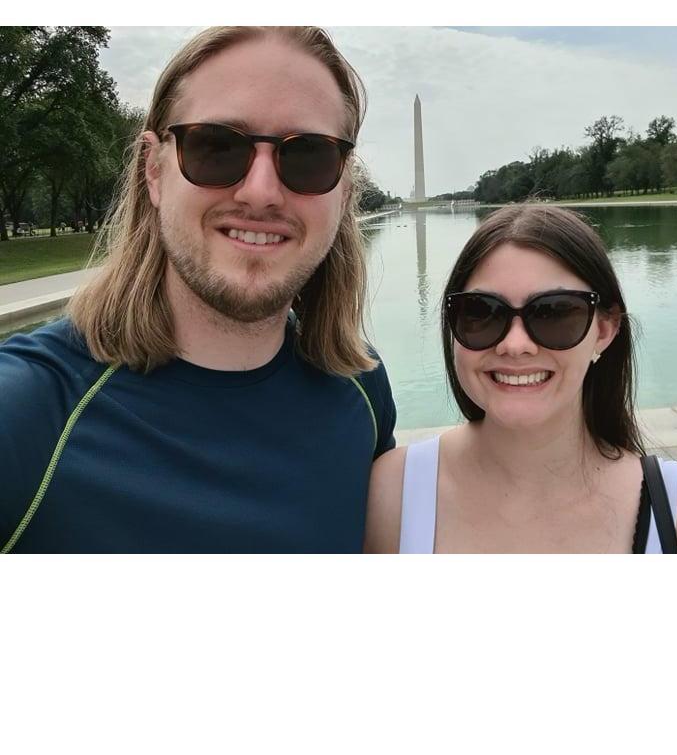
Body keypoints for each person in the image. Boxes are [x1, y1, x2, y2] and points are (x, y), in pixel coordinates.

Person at [0, 27, 396, 553]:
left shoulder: (362, 390)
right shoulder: (28, 411)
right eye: (216, 146)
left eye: (309, 157)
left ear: (344, 190)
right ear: (155, 171)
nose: (260, 191)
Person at [365, 204, 677, 553]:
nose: (516, 345)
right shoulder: (392, 493)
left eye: (554, 313)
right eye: (482, 312)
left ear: (605, 330)